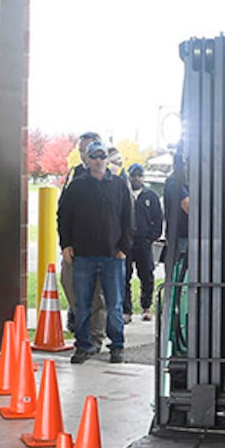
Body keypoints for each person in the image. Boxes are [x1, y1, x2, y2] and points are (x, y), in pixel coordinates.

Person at [58, 140, 132, 364]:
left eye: (102, 156)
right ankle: (83, 345)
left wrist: (124, 248)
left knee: (114, 304)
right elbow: (63, 217)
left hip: (112, 256)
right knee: (82, 304)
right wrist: (66, 245)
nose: (98, 160)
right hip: (83, 256)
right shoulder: (76, 186)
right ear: (87, 159)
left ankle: (116, 346)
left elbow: (129, 218)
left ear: (107, 159)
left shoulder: (119, 185)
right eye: (94, 156)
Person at [60, 130, 107, 347]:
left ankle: (95, 338)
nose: (85, 155)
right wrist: (66, 244)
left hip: (101, 249)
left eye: (88, 150)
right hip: (76, 248)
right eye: (82, 151)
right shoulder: (74, 175)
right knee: (70, 286)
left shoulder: (112, 176)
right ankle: (82, 335)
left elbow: (125, 213)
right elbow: (63, 212)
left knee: (96, 296)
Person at [124, 163, 162, 321]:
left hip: (143, 242)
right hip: (126, 241)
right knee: (124, 275)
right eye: (134, 175)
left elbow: (158, 218)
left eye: (140, 175)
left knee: (146, 274)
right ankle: (126, 310)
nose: (137, 178)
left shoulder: (150, 196)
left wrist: (151, 237)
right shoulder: (124, 194)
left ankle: (146, 307)